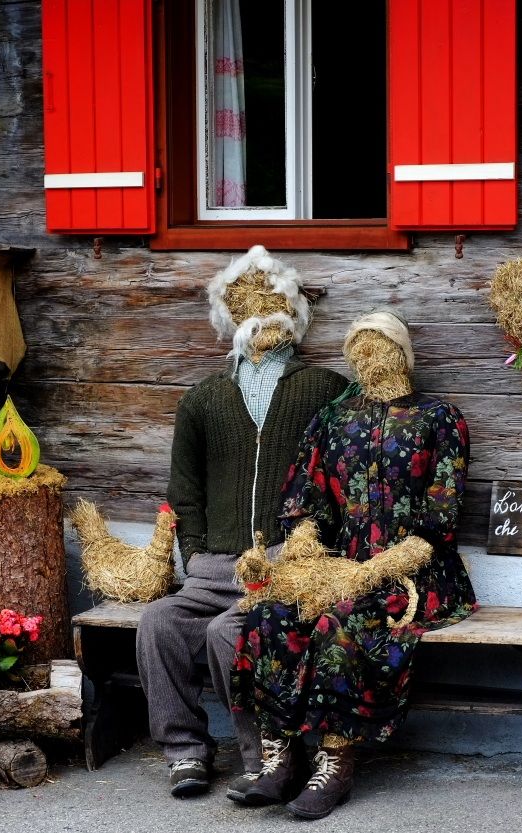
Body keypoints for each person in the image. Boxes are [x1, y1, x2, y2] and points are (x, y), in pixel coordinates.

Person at [231, 310, 477, 820]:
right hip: (340, 565)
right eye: (357, 348)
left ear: (401, 354)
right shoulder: (333, 419)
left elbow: (440, 519)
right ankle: (281, 757)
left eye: (378, 345)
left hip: (415, 573)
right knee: (269, 616)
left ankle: (336, 761)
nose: (367, 357)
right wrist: (302, 547)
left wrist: (372, 572)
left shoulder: (439, 418)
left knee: (341, 622)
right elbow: (307, 500)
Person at [136, 245, 348, 799]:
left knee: (229, 633)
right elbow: (184, 491)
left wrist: (311, 551)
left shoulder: (323, 389)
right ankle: (185, 752)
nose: (260, 317)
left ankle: (265, 760)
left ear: (292, 313)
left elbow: (340, 481)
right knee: (158, 623)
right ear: (229, 316)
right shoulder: (203, 399)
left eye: (271, 304)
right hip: (211, 571)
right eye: (245, 306)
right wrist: (194, 554)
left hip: (283, 567)